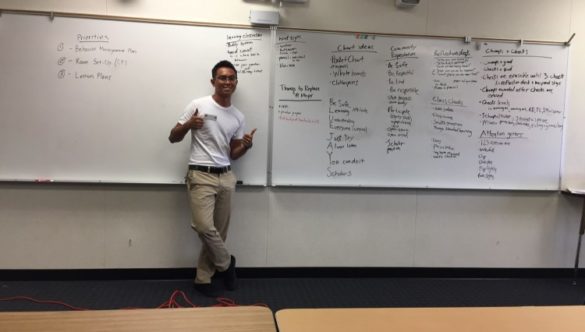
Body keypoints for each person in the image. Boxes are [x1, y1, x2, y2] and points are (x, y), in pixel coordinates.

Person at [168, 60, 256, 297]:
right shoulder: (198, 105)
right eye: (222, 78)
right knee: (203, 227)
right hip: (200, 175)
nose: (227, 82)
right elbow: (172, 137)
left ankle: (203, 279)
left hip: (226, 176)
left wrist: (246, 146)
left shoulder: (238, 116)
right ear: (213, 81)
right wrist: (188, 124)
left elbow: (233, 154)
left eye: (231, 78)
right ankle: (227, 264)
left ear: (235, 83)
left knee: (219, 231)